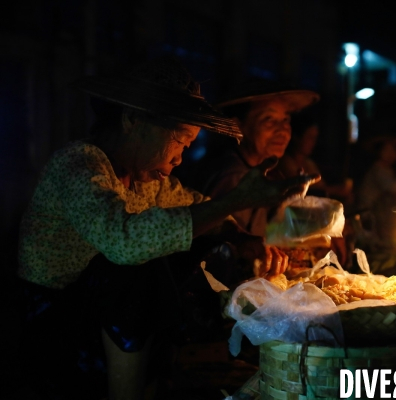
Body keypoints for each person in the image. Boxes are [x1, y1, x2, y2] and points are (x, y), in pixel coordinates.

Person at [15, 57, 317, 400]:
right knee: (135, 266)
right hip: (56, 330)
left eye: (188, 147)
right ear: (132, 120)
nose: (179, 160)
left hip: (98, 327)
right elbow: (124, 240)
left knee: (197, 245)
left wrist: (240, 236)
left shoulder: (149, 181)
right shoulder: (79, 164)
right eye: (179, 141)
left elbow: (194, 203)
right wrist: (233, 201)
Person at [192, 80, 320, 238]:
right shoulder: (232, 176)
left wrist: (287, 204)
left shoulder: (255, 171)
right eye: (269, 119)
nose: (282, 130)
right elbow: (228, 242)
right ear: (237, 126)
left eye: (286, 120)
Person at [277, 112, 353, 203]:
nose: (313, 142)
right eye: (310, 137)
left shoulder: (309, 163)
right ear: (296, 137)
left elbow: (320, 187)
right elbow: (306, 191)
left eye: (315, 138)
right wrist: (336, 190)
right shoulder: (285, 162)